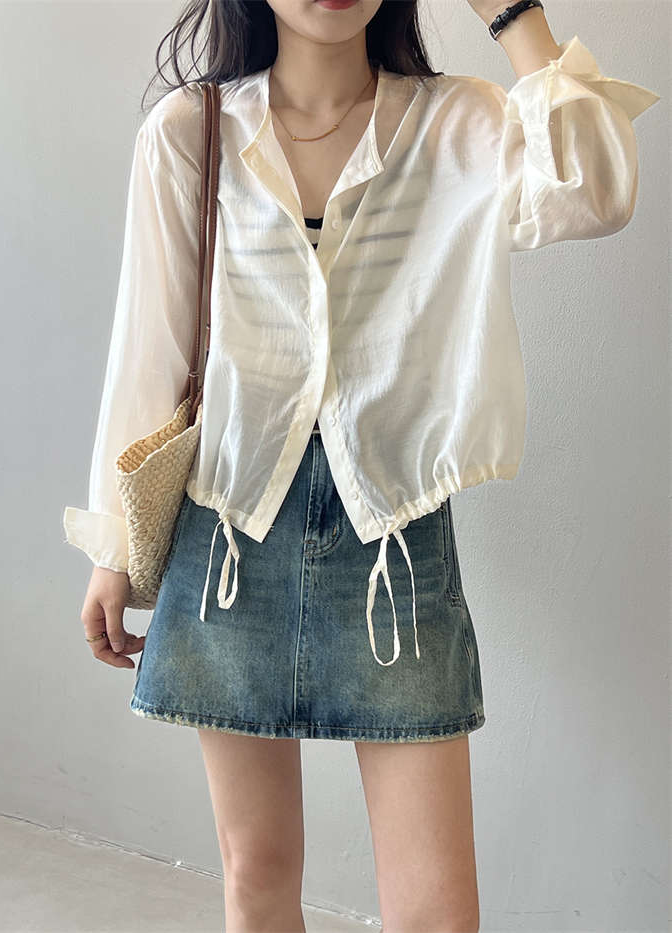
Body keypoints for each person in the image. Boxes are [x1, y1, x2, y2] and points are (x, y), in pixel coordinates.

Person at [62, 0, 660, 929]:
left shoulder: (457, 123)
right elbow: (150, 344)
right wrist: (114, 548)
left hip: (396, 542)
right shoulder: (191, 130)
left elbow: (594, 189)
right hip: (228, 537)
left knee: (435, 907)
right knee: (257, 871)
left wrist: (513, 14)